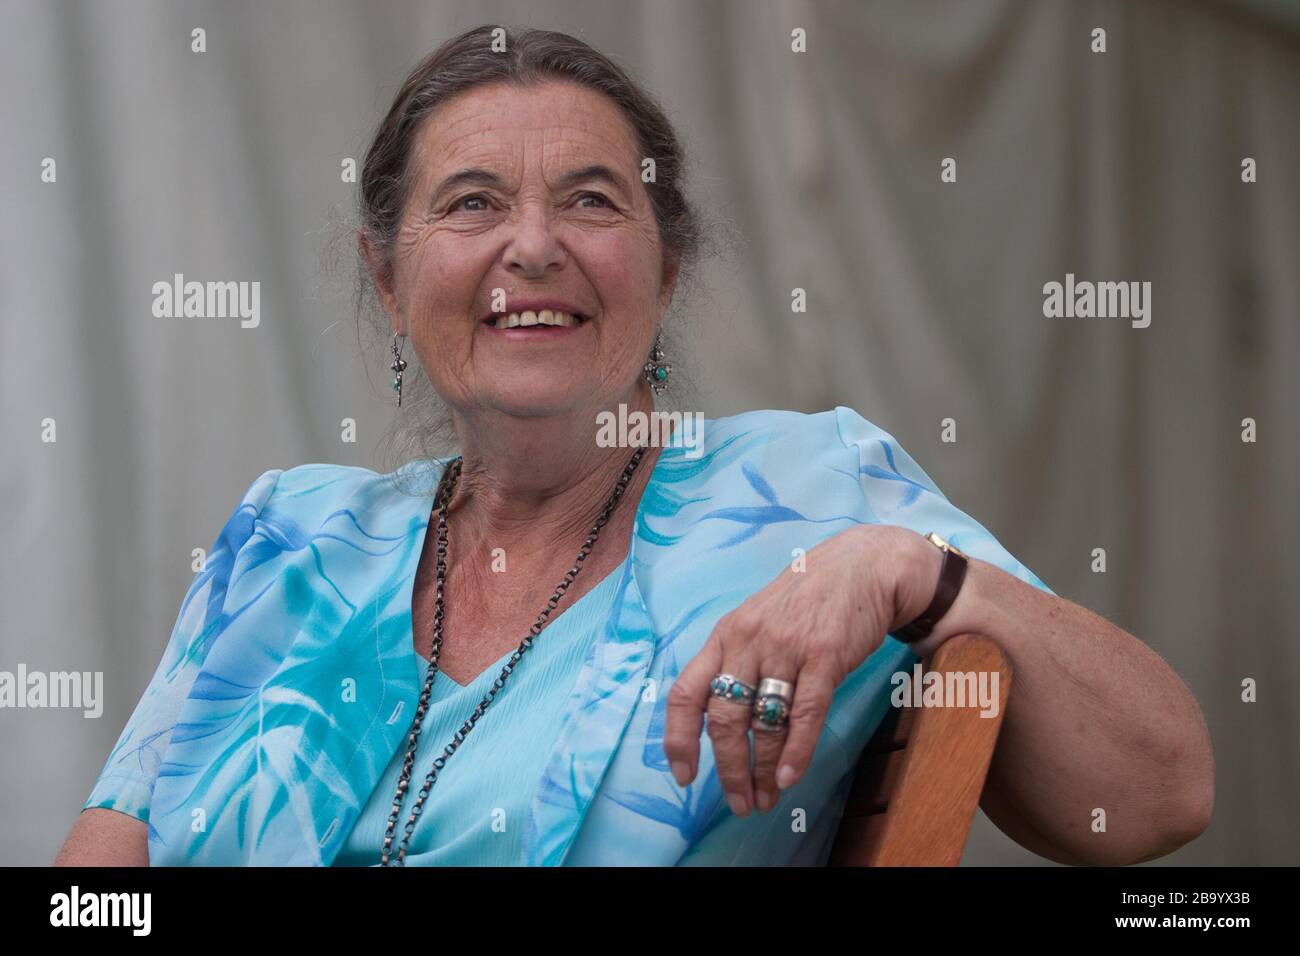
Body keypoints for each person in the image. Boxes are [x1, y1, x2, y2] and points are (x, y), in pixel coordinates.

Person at [56, 24, 1213, 867]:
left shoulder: (810, 492)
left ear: (665, 268)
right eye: (469, 204)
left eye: (594, 200)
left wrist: (915, 572)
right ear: (387, 276)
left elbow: (1162, 789)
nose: (534, 247)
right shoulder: (288, 535)